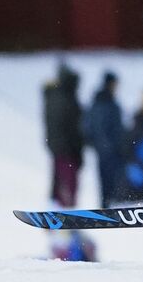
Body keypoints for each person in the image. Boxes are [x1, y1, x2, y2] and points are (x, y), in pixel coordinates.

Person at [41, 62, 83, 207]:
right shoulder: (63, 99)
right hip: (66, 149)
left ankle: (57, 215)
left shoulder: (57, 97)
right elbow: (69, 126)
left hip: (62, 148)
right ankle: (65, 218)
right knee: (67, 185)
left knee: (60, 183)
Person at [82, 71, 125, 207]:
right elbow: (93, 127)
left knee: (112, 182)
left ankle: (110, 206)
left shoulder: (108, 101)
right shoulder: (103, 102)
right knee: (107, 181)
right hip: (107, 151)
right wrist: (105, 145)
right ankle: (106, 208)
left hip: (111, 150)